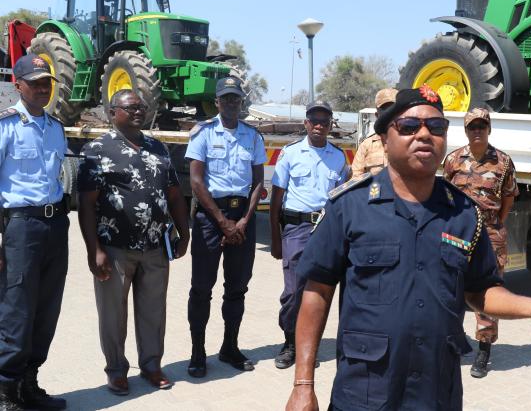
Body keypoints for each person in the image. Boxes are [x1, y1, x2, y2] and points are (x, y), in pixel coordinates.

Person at [285, 86, 531, 411]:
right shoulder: (350, 207)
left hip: (435, 393)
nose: (425, 134)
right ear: (385, 141)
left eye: (436, 127)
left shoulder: (464, 214)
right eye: (409, 127)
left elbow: (480, 291)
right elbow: (317, 293)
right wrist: (303, 384)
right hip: (365, 392)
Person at [77, 89, 190, 395]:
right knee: (113, 313)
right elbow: (86, 205)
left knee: (154, 310)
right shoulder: (97, 150)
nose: (139, 112)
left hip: (155, 247)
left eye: (142, 107)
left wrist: (184, 231)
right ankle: (116, 370)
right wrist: (94, 250)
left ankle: (152, 366)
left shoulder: (158, 147)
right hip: (115, 247)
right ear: (113, 112)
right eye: (131, 108)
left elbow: (174, 193)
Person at [185, 76, 266, 377]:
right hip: (210, 218)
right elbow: (195, 181)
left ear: (241, 102)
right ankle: (197, 352)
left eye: (236, 98)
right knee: (201, 288)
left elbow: (258, 182)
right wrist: (222, 222)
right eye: (226, 98)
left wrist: (244, 221)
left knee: (237, 288)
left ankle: (229, 347)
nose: (231, 103)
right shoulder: (203, 133)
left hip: (243, 218)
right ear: (217, 102)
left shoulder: (252, 136)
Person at [0, 54, 69, 410]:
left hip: (55, 224)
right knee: (16, 310)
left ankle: (29, 383)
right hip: (21, 226)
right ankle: (6, 391)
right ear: (18, 85)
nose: (43, 88)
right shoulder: (6, 126)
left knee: (46, 309)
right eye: (35, 82)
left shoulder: (56, 128)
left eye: (47, 82)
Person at [269, 100, 349, 369]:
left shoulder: (338, 158)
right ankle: (290, 342)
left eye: (324, 121)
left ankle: (309, 346)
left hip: (326, 230)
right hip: (297, 229)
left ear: (330, 125)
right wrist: (275, 238)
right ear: (305, 123)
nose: (318, 125)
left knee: (318, 292)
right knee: (293, 292)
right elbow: (276, 198)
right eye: (314, 120)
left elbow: (341, 198)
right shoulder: (290, 153)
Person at [443, 107, 519, 379]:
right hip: (458, 233)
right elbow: (444, 195)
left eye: (482, 126)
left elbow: (509, 197)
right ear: (465, 130)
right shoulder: (453, 160)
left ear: (489, 129)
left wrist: (494, 223)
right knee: (451, 286)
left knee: (487, 291)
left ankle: (484, 350)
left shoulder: (503, 162)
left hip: (490, 233)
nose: (477, 131)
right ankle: (453, 339)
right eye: (472, 127)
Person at [350, 88, 398, 178]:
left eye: (393, 111)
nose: (389, 115)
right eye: (385, 111)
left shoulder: (410, 141)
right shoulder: (367, 145)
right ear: (377, 115)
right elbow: (355, 180)